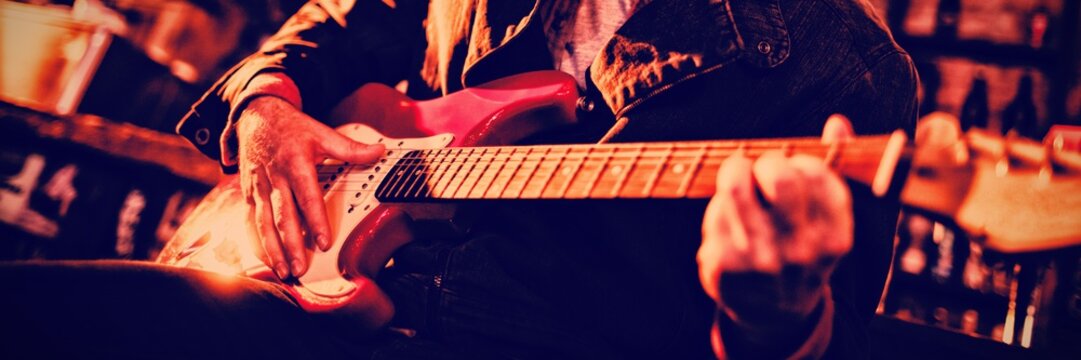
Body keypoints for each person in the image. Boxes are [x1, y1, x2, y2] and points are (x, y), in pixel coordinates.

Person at [1, 0, 916, 359]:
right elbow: (335, 19)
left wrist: (770, 316)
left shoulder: (847, 73)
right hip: (312, 300)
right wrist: (266, 105)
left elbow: (828, 350)